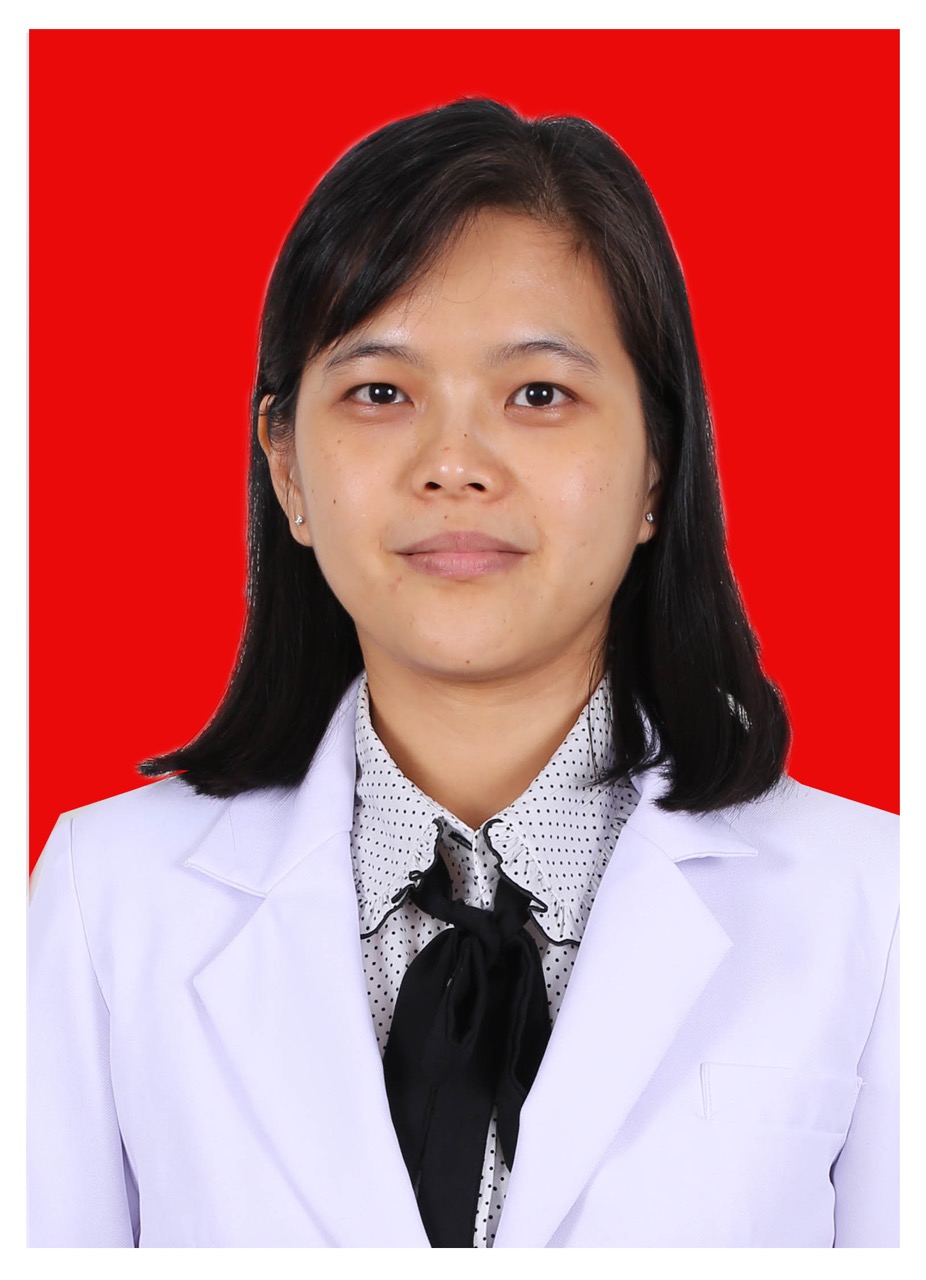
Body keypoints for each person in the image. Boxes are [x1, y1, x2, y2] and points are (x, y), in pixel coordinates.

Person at [27, 98, 898, 1249]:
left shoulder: (876, 906)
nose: (452, 464)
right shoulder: (109, 899)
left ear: (656, 463)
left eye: (537, 394)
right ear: (286, 466)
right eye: (380, 392)